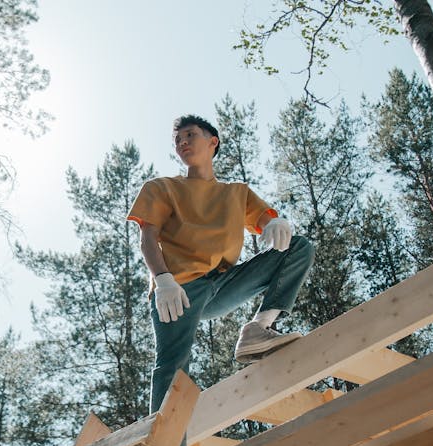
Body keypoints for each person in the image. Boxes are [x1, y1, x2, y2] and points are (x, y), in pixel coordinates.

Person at [127, 114, 315, 417]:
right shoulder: (161, 188)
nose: (182, 143)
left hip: (223, 283)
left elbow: (266, 221)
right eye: (177, 140)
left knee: (299, 247)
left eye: (190, 135)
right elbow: (147, 238)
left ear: (212, 142)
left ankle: (258, 329)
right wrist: (162, 280)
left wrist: (275, 221)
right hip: (179, 290)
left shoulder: (235, 193)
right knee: (173, 364)